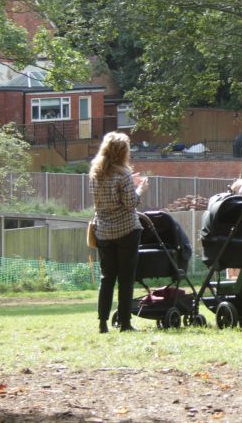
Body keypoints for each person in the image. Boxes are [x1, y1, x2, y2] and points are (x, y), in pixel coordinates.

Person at [90, 131, 149, 333]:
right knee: (125, 278)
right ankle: (124, 322)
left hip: (103, 231)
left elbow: (106, 196)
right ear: (123, 152)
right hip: (126, 230)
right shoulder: (122, 174)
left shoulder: (96, 172)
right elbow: (131, 203)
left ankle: (102, 322)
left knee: (107, 278)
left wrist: (128, 183)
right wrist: (139, 188)